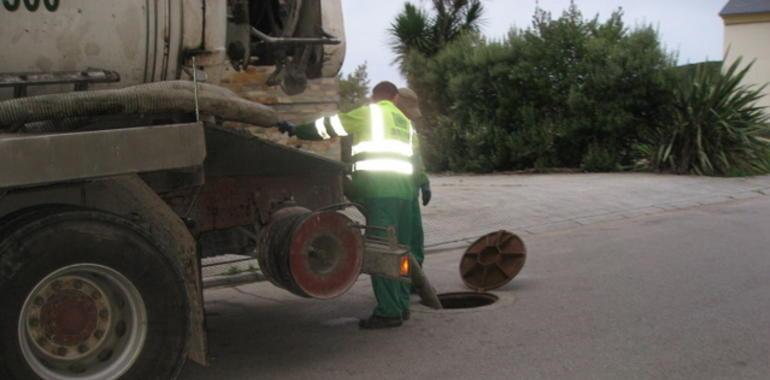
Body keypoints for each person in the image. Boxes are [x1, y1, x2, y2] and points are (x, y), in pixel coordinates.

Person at [277, 81, 416, 329]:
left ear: (375, 97)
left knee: (382, 250)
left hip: (380, 191)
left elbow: (330, 126)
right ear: (395, 98)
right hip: (405, 194)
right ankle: (402, 306)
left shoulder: (370, 113)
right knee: (401, 251)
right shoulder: (405, 121)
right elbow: (415, 159)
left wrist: (298, 130)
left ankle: (389, 311)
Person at [394, 88, 430, 270]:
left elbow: (416, 157)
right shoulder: (380, 121)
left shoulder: (408, 127)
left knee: (414, 236)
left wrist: (423, 181)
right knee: (402, 238)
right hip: (393, 190)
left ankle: (414, 278)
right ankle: (404, 277)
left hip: (410, 188)